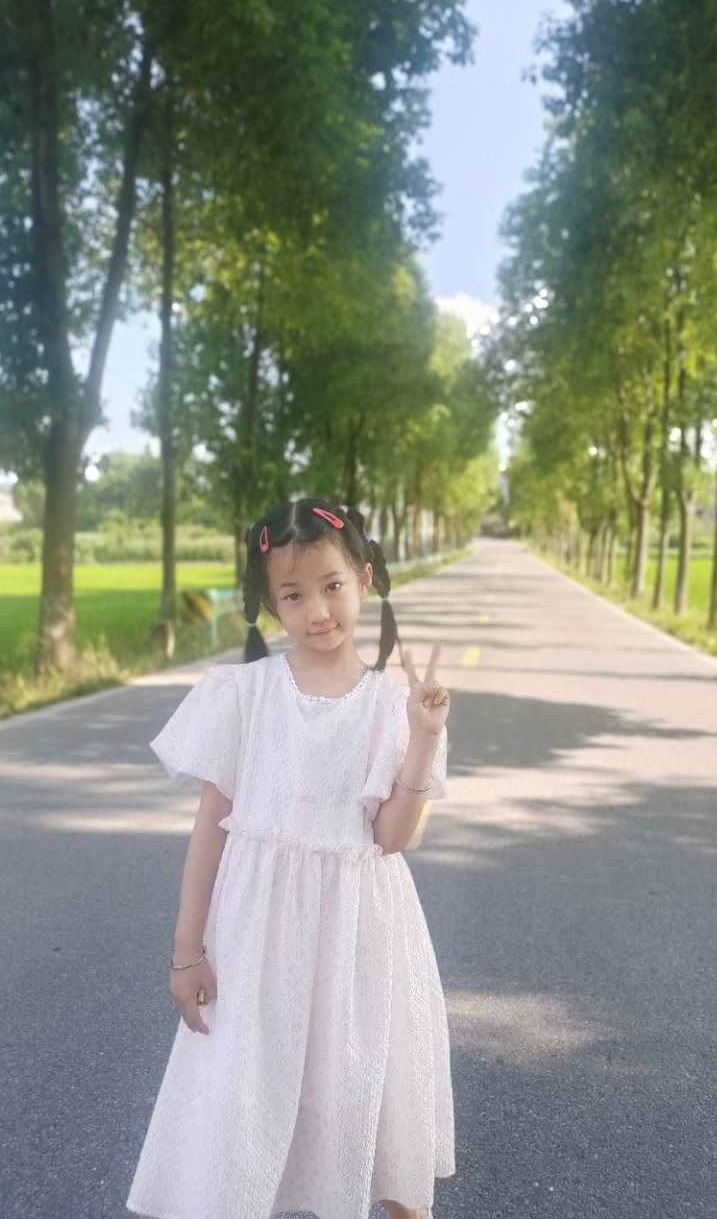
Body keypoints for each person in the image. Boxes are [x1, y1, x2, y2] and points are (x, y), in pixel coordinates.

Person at [125, 498, 454, 1219]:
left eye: (332, 585)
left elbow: (392, 837)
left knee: (365, 1098)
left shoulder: (390, 707)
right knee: (242, 1108)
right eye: (294, 594)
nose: (317, 610)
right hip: (255, 937)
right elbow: (210, 828)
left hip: (359, 937)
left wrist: (423, 737)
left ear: (364, 578)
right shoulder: (242, 695)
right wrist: (186, 952)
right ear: (270, 603)